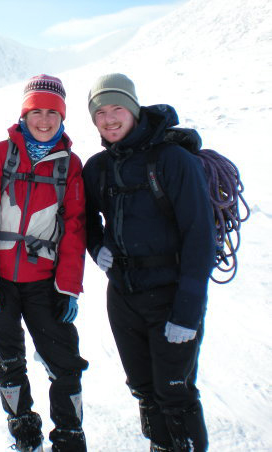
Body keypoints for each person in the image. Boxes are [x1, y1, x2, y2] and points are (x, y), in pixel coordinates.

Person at [82, 73, 215, 451]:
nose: (109, 119)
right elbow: (84, 217)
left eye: (117, 108)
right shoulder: (97, 168)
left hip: (171, 295)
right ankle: (160, 445)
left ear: (134, 109)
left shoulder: (173, 161)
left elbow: (199, 237)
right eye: (100, 113)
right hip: (123, 294)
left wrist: (188, 311)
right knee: (142, 388)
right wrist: (96, 247)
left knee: (175, 392)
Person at [0, 74, 88, 452]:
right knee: (8, 363)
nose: (44, 120)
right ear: (24, 114)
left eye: (53, 113)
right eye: (36, 111)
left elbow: (75, 228)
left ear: (62, 117)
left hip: (44, 282)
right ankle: (24, 432)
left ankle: (69, 436)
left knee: (65, 362)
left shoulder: (70, 165)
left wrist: (68, 287)